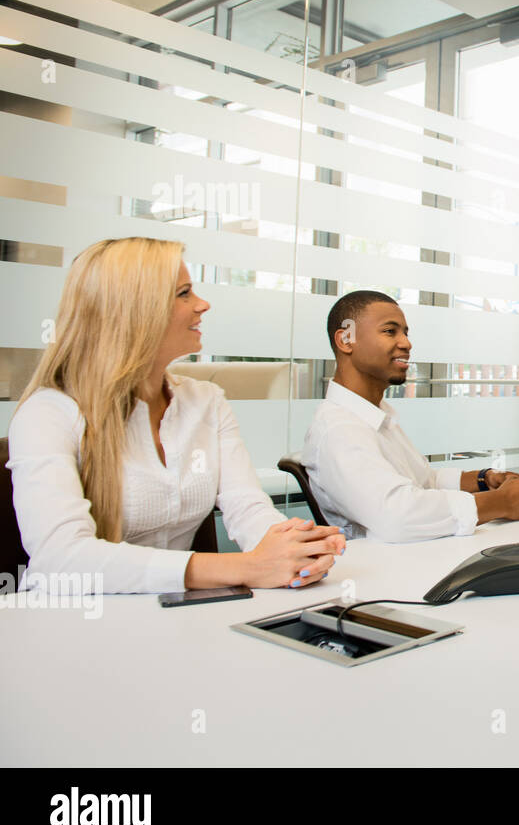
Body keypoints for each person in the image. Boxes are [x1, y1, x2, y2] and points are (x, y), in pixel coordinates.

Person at [6, 237, 344, 594]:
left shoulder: (206, 401)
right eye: (184, 293)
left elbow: (247, 508)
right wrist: (247, 567)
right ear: (134, 310)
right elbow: (60, 559)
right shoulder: (48, 413)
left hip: (172, 618)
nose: (202, 304)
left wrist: (293, 549)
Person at [302, 290, 519, 542]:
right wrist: (501, 502)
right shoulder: (339, 430)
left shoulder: (374, 417)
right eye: (390, 331)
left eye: (405, 332)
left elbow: (423, 481)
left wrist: (483, 480)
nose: (406, 343)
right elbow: (397, 516)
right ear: (346, 339)